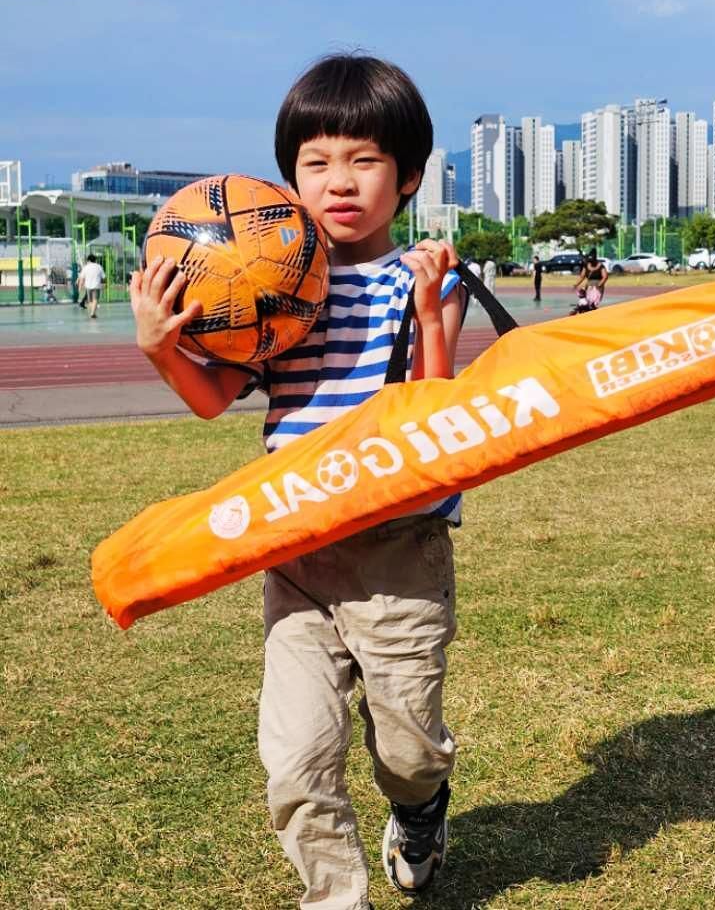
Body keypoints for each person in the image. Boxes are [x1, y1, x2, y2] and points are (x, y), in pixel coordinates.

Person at [129, 54, 466, 910]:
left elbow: (434, 422)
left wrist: (428, 316)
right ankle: (335, 898)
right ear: (288, 181)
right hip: (298, 554)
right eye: (315, 163)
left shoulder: (426, 279)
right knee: (296, 755)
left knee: (409, 748)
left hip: (400, 556)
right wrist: (163, 345)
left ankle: (421, 810)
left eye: (364, 160)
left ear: (410, 176)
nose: (338, 182)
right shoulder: (265, 282)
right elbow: (213, 400)